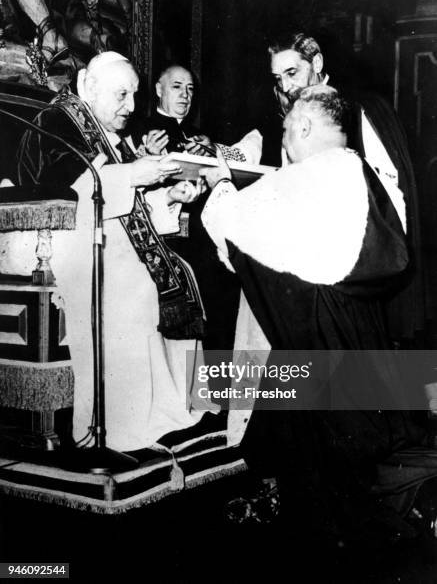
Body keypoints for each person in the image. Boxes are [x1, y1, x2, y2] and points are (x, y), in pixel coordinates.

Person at [200, 85, 436, 549]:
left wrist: (218, 183)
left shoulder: (306, 178)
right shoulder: (361, 171)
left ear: (304, 126)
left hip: (320, 335)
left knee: (334, 492)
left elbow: (236, 223)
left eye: (287, 129)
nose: (284, 139)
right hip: (360, 335)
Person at [15, 51, 213, 452]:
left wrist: (170, 196)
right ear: (88, 85)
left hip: (102, 238)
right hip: (57, 241)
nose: (131, 107)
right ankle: (127, 424)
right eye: (121, 95)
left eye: (135, 96)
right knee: (132, 284)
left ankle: (180, 409)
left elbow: (129, 205)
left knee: (178, 271)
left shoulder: (106, 132)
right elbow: (70, 196)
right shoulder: (57, 121)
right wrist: (138, 173)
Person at [229, 30, 424, 349]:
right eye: (278, 78)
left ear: (317, 61)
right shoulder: (289, 116)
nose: (286, 85)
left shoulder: (358, 109)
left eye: (292, 72)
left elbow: (389, 193)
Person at [131, 64, 240, 354]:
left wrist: (214, 154)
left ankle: (221, 392)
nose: (185, 95)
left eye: (190, 89)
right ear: (158, 90)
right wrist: (146, 156)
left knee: (223, 310)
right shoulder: (139, 129)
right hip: (167, 239)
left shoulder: (200, 136)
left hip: (205, 239)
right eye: (177, 86)